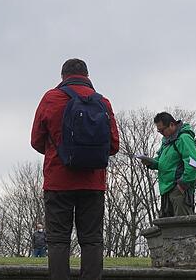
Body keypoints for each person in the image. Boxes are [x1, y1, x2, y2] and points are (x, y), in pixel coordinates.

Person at [31, 58, 120, 280]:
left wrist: (60, 152)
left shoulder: (51, 98)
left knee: (59, 239)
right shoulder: (103, 102)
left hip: (58, 180)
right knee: (91, 239)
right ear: (88, 76)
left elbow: (36, 140)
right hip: (93, 181)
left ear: (62, 76)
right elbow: (114, 145)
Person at [140, 112, 196, 217]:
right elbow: (162, 162)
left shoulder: (183, 138)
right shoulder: (166, 142)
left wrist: (182, 184)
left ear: (172, 124)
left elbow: (193, 163)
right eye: (159, 131)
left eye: (162, 130)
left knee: (183, 228)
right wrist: (151, 163)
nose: (161, 133)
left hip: (179, 190)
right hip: (166, 190)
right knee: (167, 228)